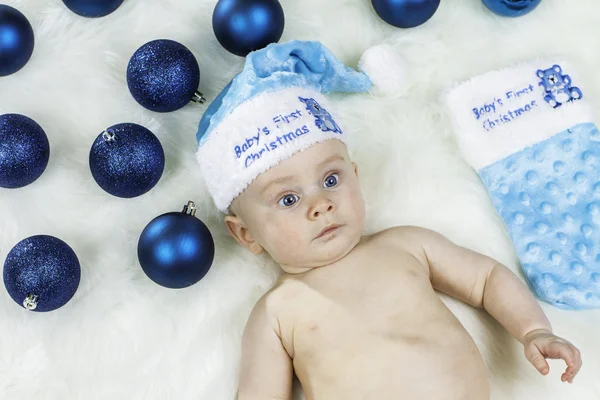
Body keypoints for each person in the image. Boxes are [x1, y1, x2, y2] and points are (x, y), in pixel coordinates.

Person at [195, 40, 582, 400]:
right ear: (246, 234)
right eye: (289, 199)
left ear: (356, 177)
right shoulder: (276, 313)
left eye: (331, 180)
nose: (321, 205)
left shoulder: (405, 245)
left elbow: (486, 279)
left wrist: (533, 329)